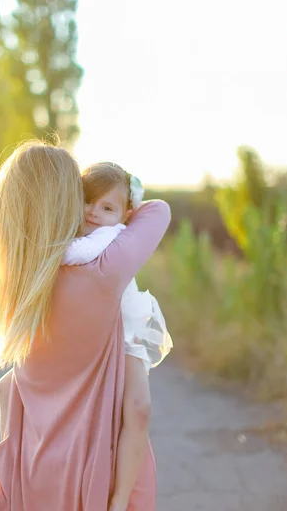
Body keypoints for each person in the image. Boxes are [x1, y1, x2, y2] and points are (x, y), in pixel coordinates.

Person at [0, 140, 171, 511]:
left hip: (28, 476)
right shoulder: (104, 271)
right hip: (99, 476)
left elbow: (12, 388)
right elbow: (158, 211)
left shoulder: (19, 285)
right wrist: (121, 206)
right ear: (67, 201)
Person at [61, 162, 173, 511]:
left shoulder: (109, 236)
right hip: (92, 337)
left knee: (138, 408)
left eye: (106, 207)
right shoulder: (87, 229)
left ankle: (121, 496)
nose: (94, 213)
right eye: (87, 201)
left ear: (126, 214)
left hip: (126, 335)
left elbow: (72, 253)